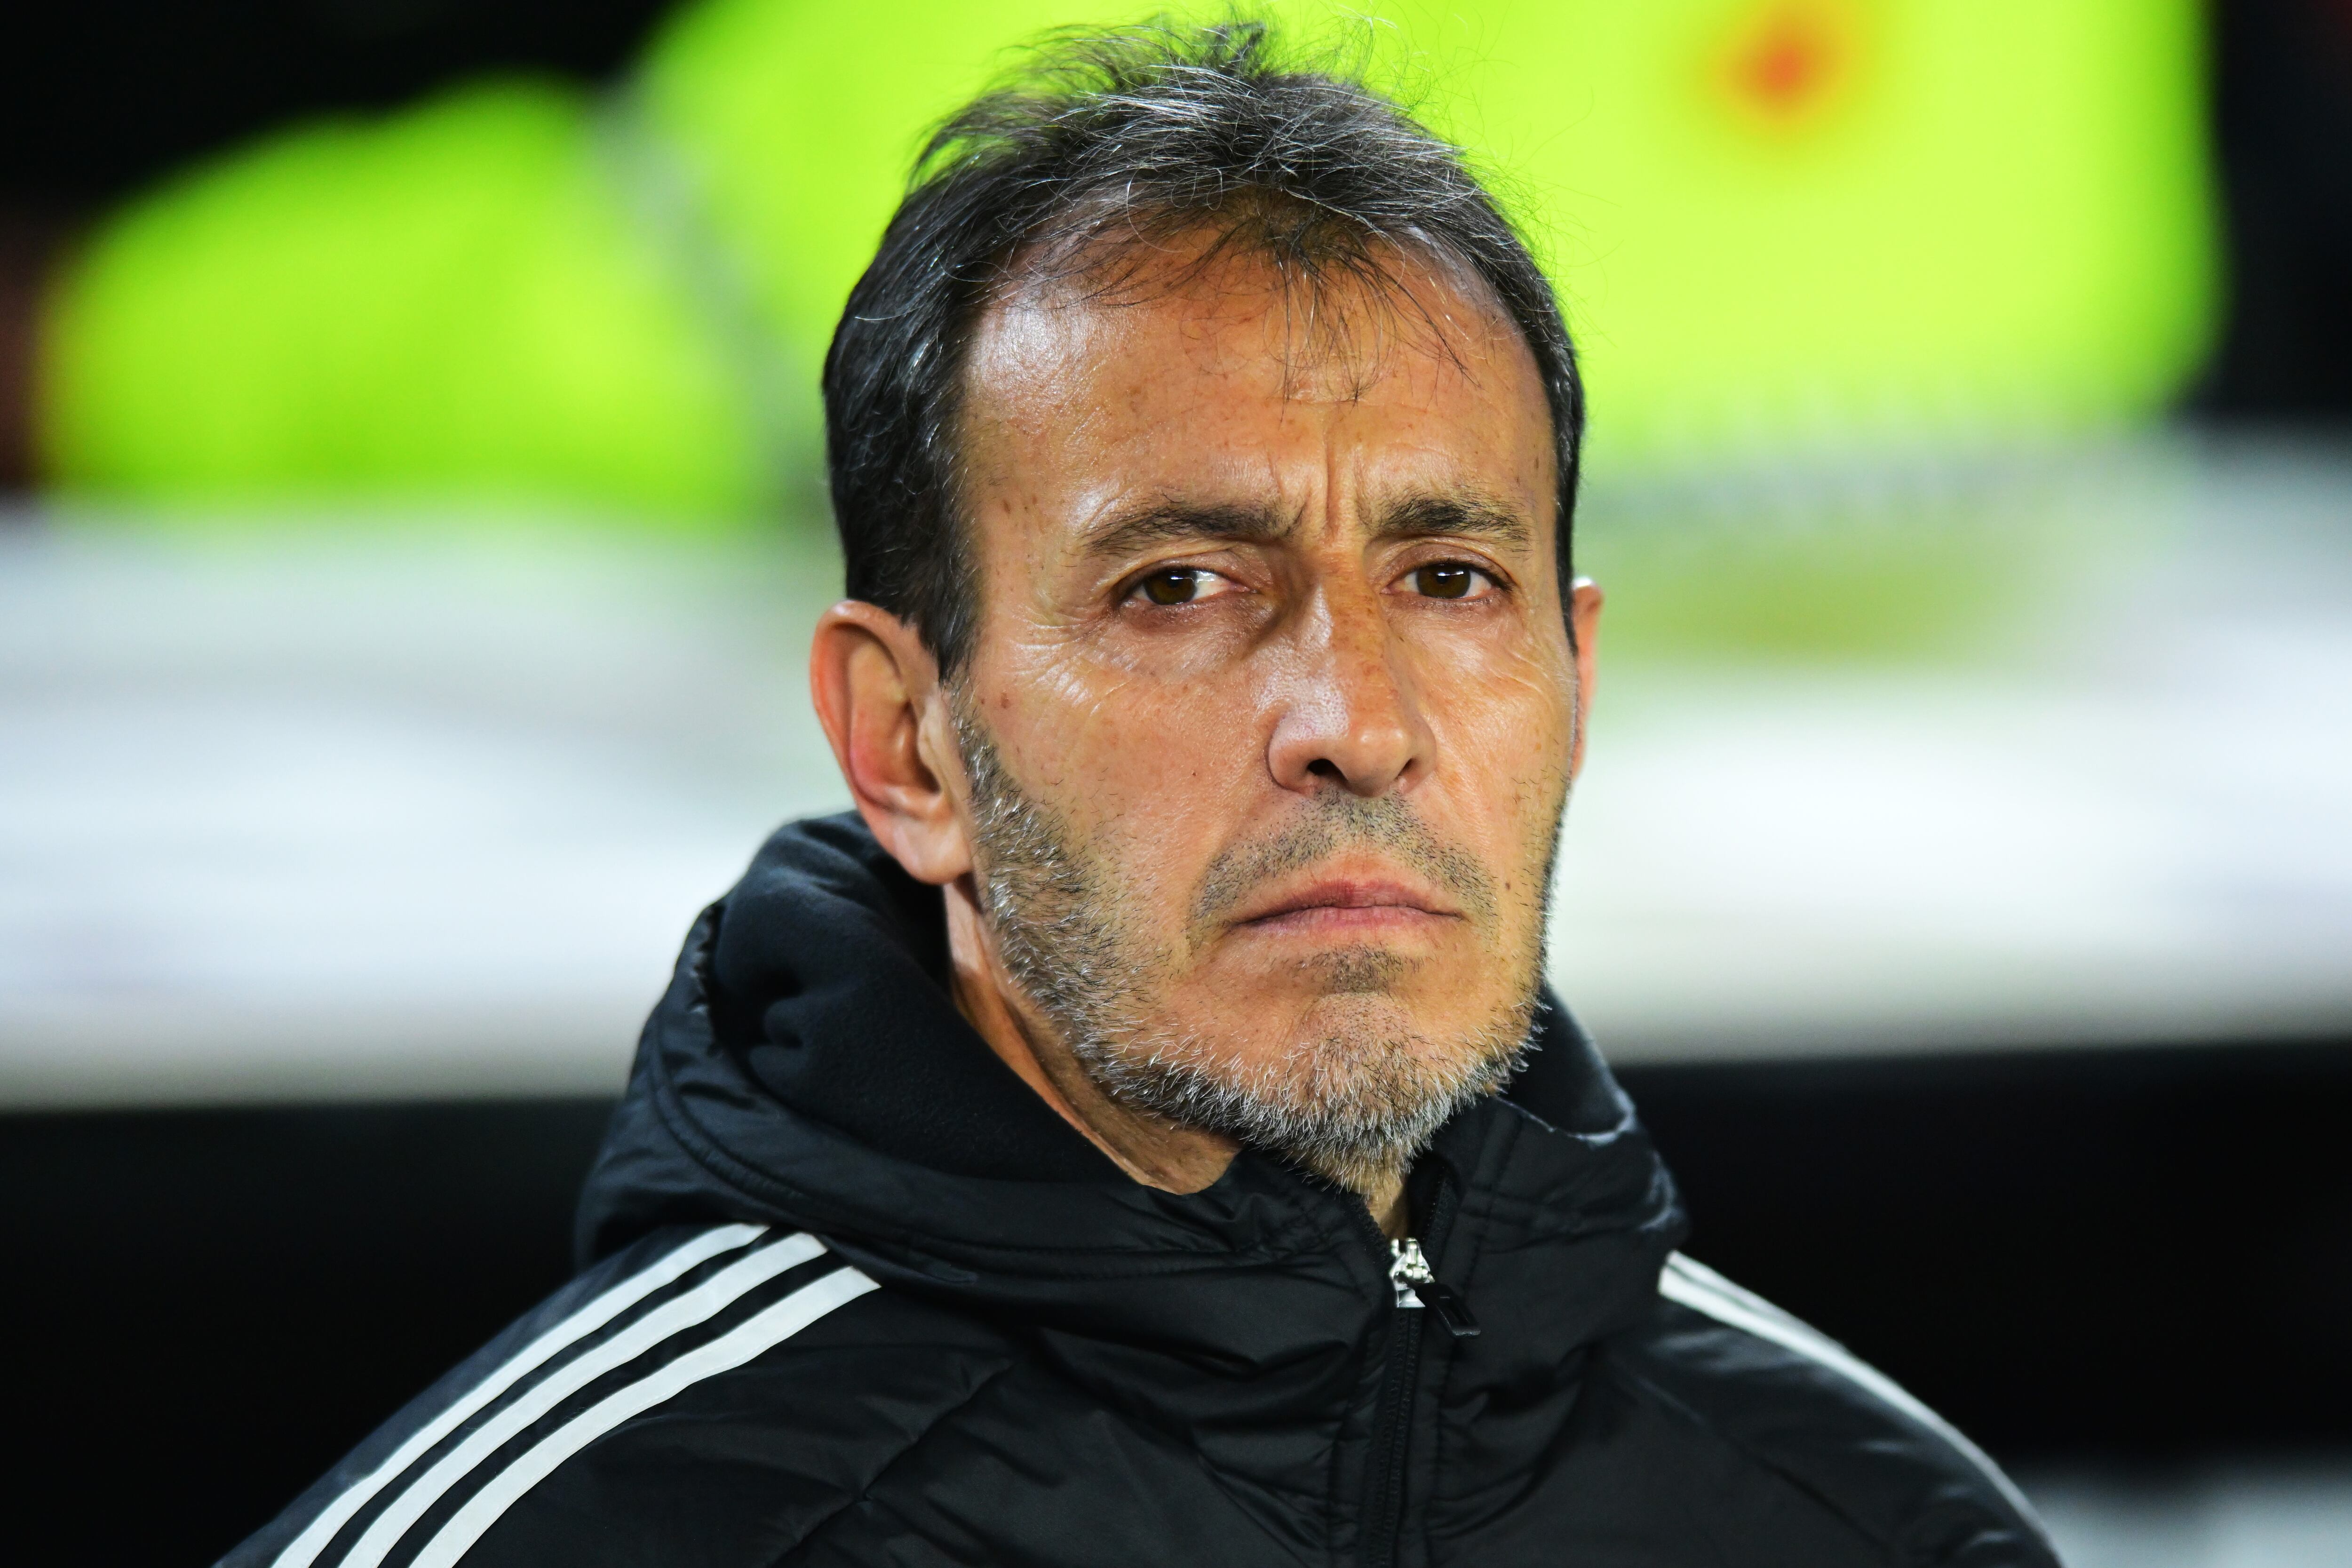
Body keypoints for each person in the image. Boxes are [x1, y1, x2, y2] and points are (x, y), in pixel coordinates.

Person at [223, 23, 2056, 1568]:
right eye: (1177, 587)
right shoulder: (581, 1533)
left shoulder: (1877, 1528)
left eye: (1448, 580)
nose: (1356, 721)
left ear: (1573, 681)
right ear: (904, 745)